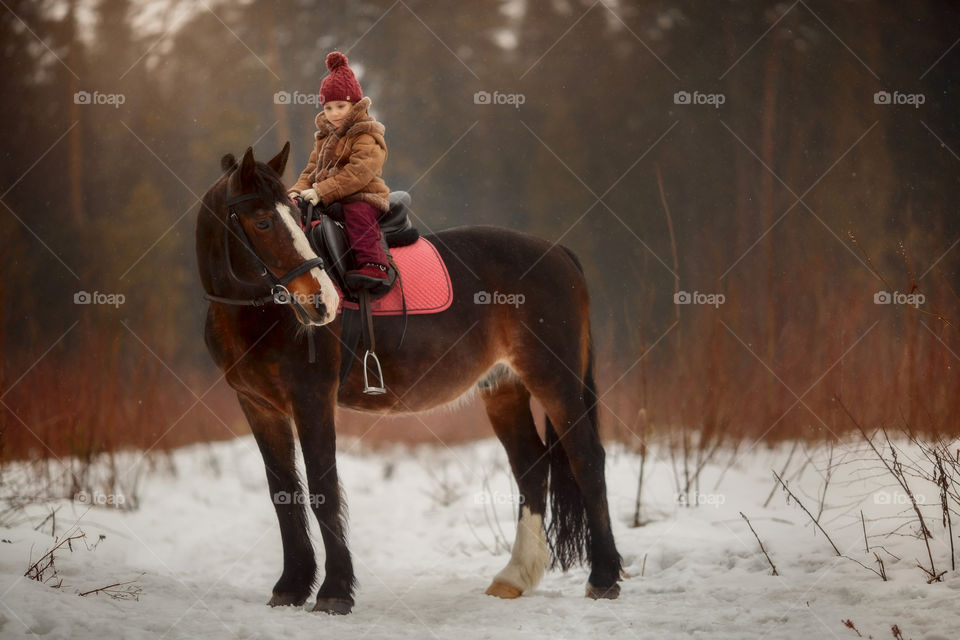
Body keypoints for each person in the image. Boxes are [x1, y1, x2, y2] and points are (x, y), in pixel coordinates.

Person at [288, 51, 391, 286]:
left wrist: (322, 191)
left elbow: (359, 172)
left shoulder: (365, 133)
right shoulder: (324, 138)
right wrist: (296, 192)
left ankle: (374, 265)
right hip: (330, 196)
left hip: (363, 194)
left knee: (358, 213)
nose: (334, 114)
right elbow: (311, 170)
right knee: (300, 218)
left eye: (341, 106)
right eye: (328, 108)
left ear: (354, 104)